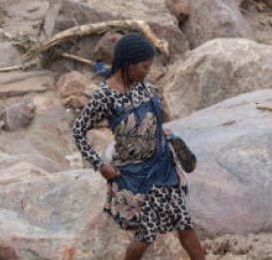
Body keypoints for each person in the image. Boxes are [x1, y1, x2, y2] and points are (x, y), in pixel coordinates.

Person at [72, 33, 206, 260]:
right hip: (136, 176)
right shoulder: (105, 96)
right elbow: (78, 130)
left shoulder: (142, 86)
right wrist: (100, 165)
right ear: (128, 65)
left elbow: (150, 118)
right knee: (146, 235)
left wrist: (161, 132)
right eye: (145, 67)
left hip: (162, 168)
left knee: (184, 224)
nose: (148, 72)